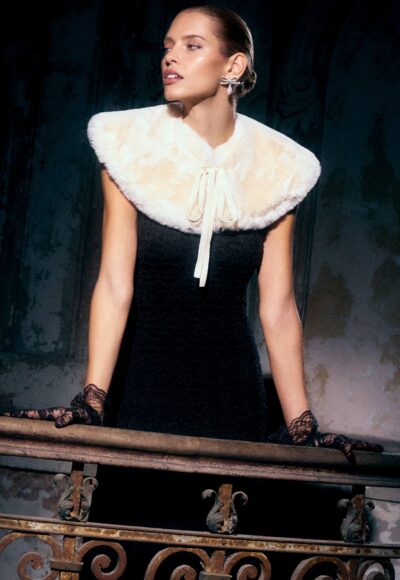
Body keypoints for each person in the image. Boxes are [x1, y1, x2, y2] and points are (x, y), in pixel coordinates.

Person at [3, 5, 383, 465]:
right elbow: (114, 284)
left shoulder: (278, 166)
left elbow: (279, 307)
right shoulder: (129, 146)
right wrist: (93, 399)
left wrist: (302, 426)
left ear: (234, 65)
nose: (171, 57)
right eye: (167, 47)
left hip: (231, 393)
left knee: (223, 508)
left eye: (192, 46)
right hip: (141, 386)